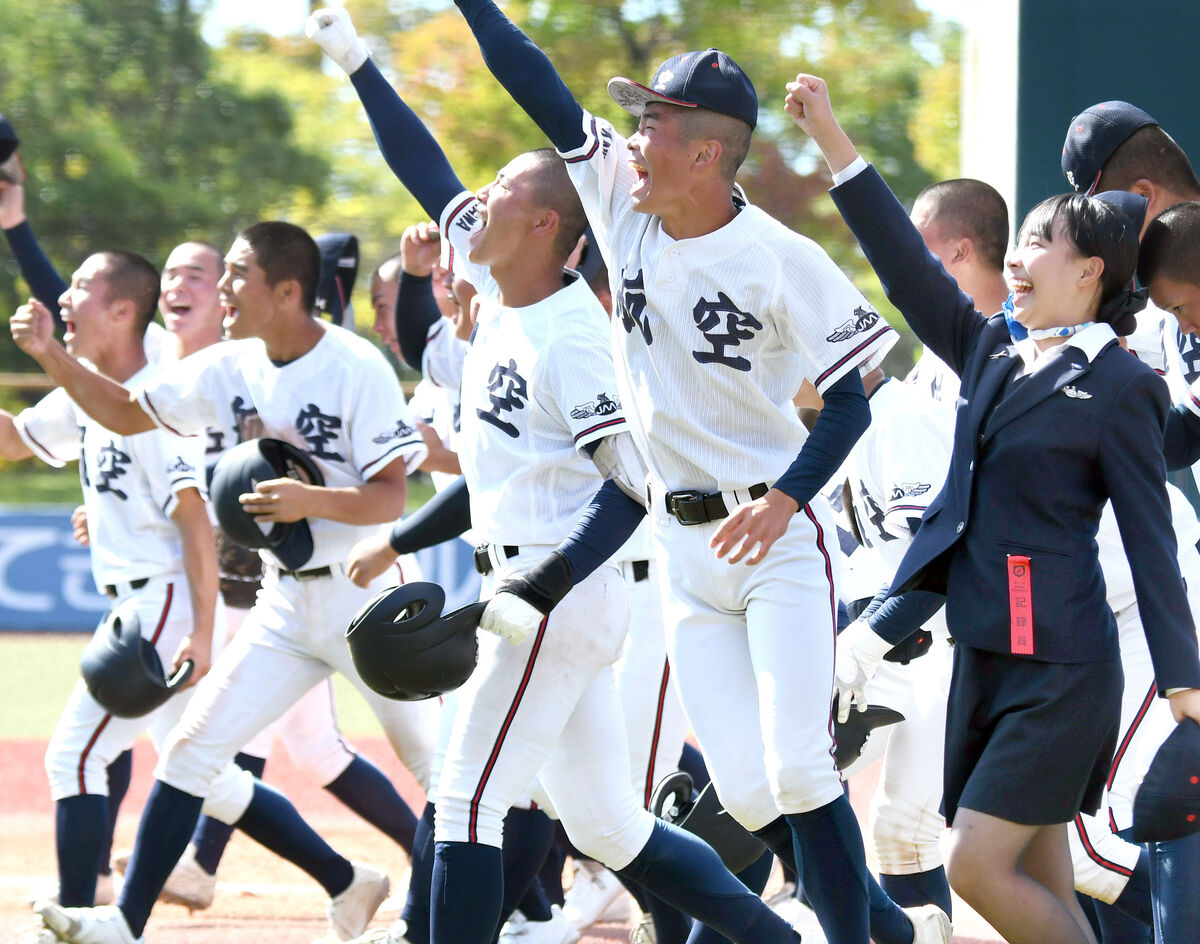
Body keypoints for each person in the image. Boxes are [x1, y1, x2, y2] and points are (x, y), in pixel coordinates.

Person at [442, 5, 958, 944]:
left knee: (801, 771)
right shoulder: (617, 204)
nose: (632, 141)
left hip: (776, 545)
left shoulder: (779, 258)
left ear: (707, 155)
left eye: (653, 124)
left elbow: (853, 398)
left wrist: (787, 497)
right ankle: (884, 927)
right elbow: (536, 85)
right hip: (685, 553)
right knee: (755, 794)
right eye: (634, 123)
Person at [308, 8, 807, 944]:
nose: (472, 202)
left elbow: (632, 488)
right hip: (531, 584)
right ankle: (781, 939)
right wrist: (357, 62)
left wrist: (543, 586)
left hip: (556, 590)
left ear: (546, 222)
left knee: (463, 801)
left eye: (498, 191)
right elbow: (421, 166)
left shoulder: (575, 337)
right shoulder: (503, 284)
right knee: (608, 825)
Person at [788, 73, 1200, 944]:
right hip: (987, 656)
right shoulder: (990, 355)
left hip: (1065, 664)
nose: (1013, 258)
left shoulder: (1125, 385)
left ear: (1089, 270)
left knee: (976, 867)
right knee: (1048, 874)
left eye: (1037, 242)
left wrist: (1183, 680)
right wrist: (832, 138)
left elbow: (1152, 541)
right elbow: (903, 264)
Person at [14, 220, 431, 944]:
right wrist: (49, 352)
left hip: (369, 591)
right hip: (286, 597)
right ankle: (123, 922)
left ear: (289, 290)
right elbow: (121, 410)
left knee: (441, 767)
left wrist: (313, 502)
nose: (224, 289)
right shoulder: (229, 365)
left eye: (236, 274)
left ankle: (509, 909)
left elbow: (392, 495)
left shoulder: (355, 365)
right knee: (194, 752)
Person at [0, 251, 217, 921]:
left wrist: (204, 632)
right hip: (136, 604)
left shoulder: (161, 398)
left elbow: (195, 523)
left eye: (82, 288)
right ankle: (345, 876)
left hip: (163, 600)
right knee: (201, 766)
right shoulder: (91, 395)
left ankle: (82, 916)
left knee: (77, 756)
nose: (64, 299)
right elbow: (12, 443)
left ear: (124, 310)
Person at [904, 179, 1011, 405]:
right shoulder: (932, 351)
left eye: (916, 240)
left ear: (960, 251)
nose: (906, 252)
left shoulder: (1031, 347)